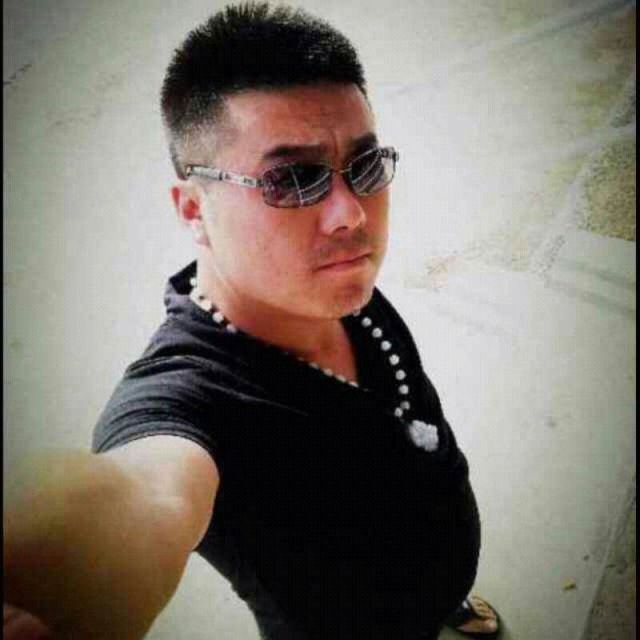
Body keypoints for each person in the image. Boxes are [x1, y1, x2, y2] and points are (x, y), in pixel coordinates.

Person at [3, 3, 501, 639]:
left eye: (366, 165)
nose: (350, 213)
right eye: (291, 179)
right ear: (193, 209)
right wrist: (57, 574)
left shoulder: (328, 280)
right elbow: (145, 493)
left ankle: (451, 599)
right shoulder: (190, 399)